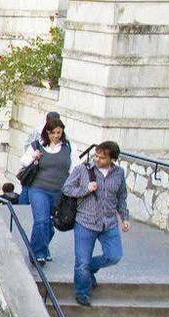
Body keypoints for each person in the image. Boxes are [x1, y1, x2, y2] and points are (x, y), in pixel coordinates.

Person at [62, 142, 129, 306]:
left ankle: (88, 268)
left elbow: (121, 197)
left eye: (102, 157)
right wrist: (86, 189)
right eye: (96, 155)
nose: (97, 159)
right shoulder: (83, 169)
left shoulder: (119, 173)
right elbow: (67, 188)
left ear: (112, 159)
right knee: (81, 262)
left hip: (109, 223)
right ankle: (82, 293)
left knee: (114, 256)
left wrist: (125, 218)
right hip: (85, 222)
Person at [18, 113, 72, 265]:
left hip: (59, 191)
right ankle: (37, 253)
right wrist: (34, 157)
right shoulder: (37, 145)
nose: (56, 136)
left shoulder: (67, 147)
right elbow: (23, 161)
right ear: (47, 132)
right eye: (53, 132)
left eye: (58, 133)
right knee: (41, 221)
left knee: (50, 224)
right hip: (39, 189)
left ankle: (43, 247)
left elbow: (75, 168)